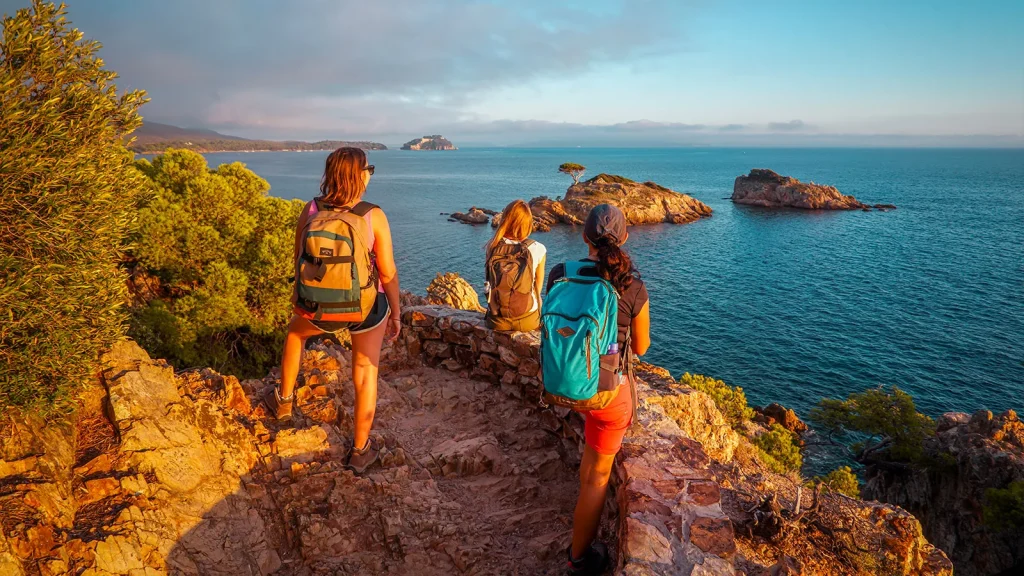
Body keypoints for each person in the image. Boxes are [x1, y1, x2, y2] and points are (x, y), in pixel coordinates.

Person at [268, 147, 401, 474]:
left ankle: (283, 403)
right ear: (360, 174)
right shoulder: (373, 215)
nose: (370, 172)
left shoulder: (311, 209)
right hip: (365, 307)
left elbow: (300, 258)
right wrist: (396, 313)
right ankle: (359, 451)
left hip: (319, 304)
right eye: (369, 168)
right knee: (365, 371)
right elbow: (387, 272)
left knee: (295, 335)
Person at [546, 204, 651, 575]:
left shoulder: (560, 273)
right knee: (596, 479)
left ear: (584, 237)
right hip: (607, 396)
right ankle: (579, 557)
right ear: (624, 238)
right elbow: (641, 348)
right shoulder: (633, 286)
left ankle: (581, 519)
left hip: (568, 383)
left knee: (589, 467)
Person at [484, 199, 546, 332]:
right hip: (527, 320)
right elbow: (537, 290)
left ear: (505, 220)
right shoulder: (538, 248)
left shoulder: (492, 246)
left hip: (496, 320)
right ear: (528, 223)